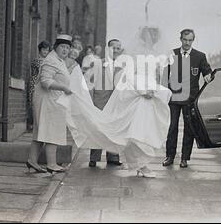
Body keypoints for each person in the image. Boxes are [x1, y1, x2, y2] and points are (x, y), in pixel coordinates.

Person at [63, 28, 172, 178]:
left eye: (154, 37)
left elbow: (152, 75)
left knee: (140, 130)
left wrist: (154, 88)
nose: (152, 39)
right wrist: (142, 90)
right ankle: (137, 164)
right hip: (131, 95)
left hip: (143, 95)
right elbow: (128, 76)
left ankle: (137, 163)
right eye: (150, 36)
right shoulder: (129, 56)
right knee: (129, 130)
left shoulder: (151, 56)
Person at [27, 34, 78, 174]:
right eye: (62, 47)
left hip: (53, 101)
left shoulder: (59, 60)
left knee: (41, 131)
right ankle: (52, 164)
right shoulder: (51, 60)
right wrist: (64, 87)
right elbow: (45, 81)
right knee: (51, 131)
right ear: (56, 47)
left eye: (68, 48)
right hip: (47, 101)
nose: (65, 50)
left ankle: (32, 161)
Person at [162, 29, 213, 169]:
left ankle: (184, 158)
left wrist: (208, 77)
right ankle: (170, 156)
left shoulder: (199, 56)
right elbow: (164, 74)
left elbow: (207, 72)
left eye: (190, 40)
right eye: (185, 40)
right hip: (173, 97)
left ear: (193, 40)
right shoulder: (172, 54)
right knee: (172, 127)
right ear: (180, 39)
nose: (187, 43)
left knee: (189, 129)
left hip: (190, 99)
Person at [87, 39, 124, 168]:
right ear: (108, 48)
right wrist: (91, 102)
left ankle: (113, 156)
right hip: (100, 101)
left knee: (113, 129)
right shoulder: (98, 64)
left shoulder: (121, 66)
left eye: (119, 48)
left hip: (114, 103)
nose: (116, 50)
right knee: (98, 129)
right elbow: (90, 84)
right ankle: (94, 158)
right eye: (114, 47)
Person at [27, 41, 51, 130]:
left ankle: (40, 125)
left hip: (43, 84)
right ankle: (32, 124)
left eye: (47, 50)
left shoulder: (47, 61)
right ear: (40, 50)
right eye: (44, 50)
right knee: (34, 104)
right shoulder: (37, 60)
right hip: (35, 83)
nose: (45, 52)